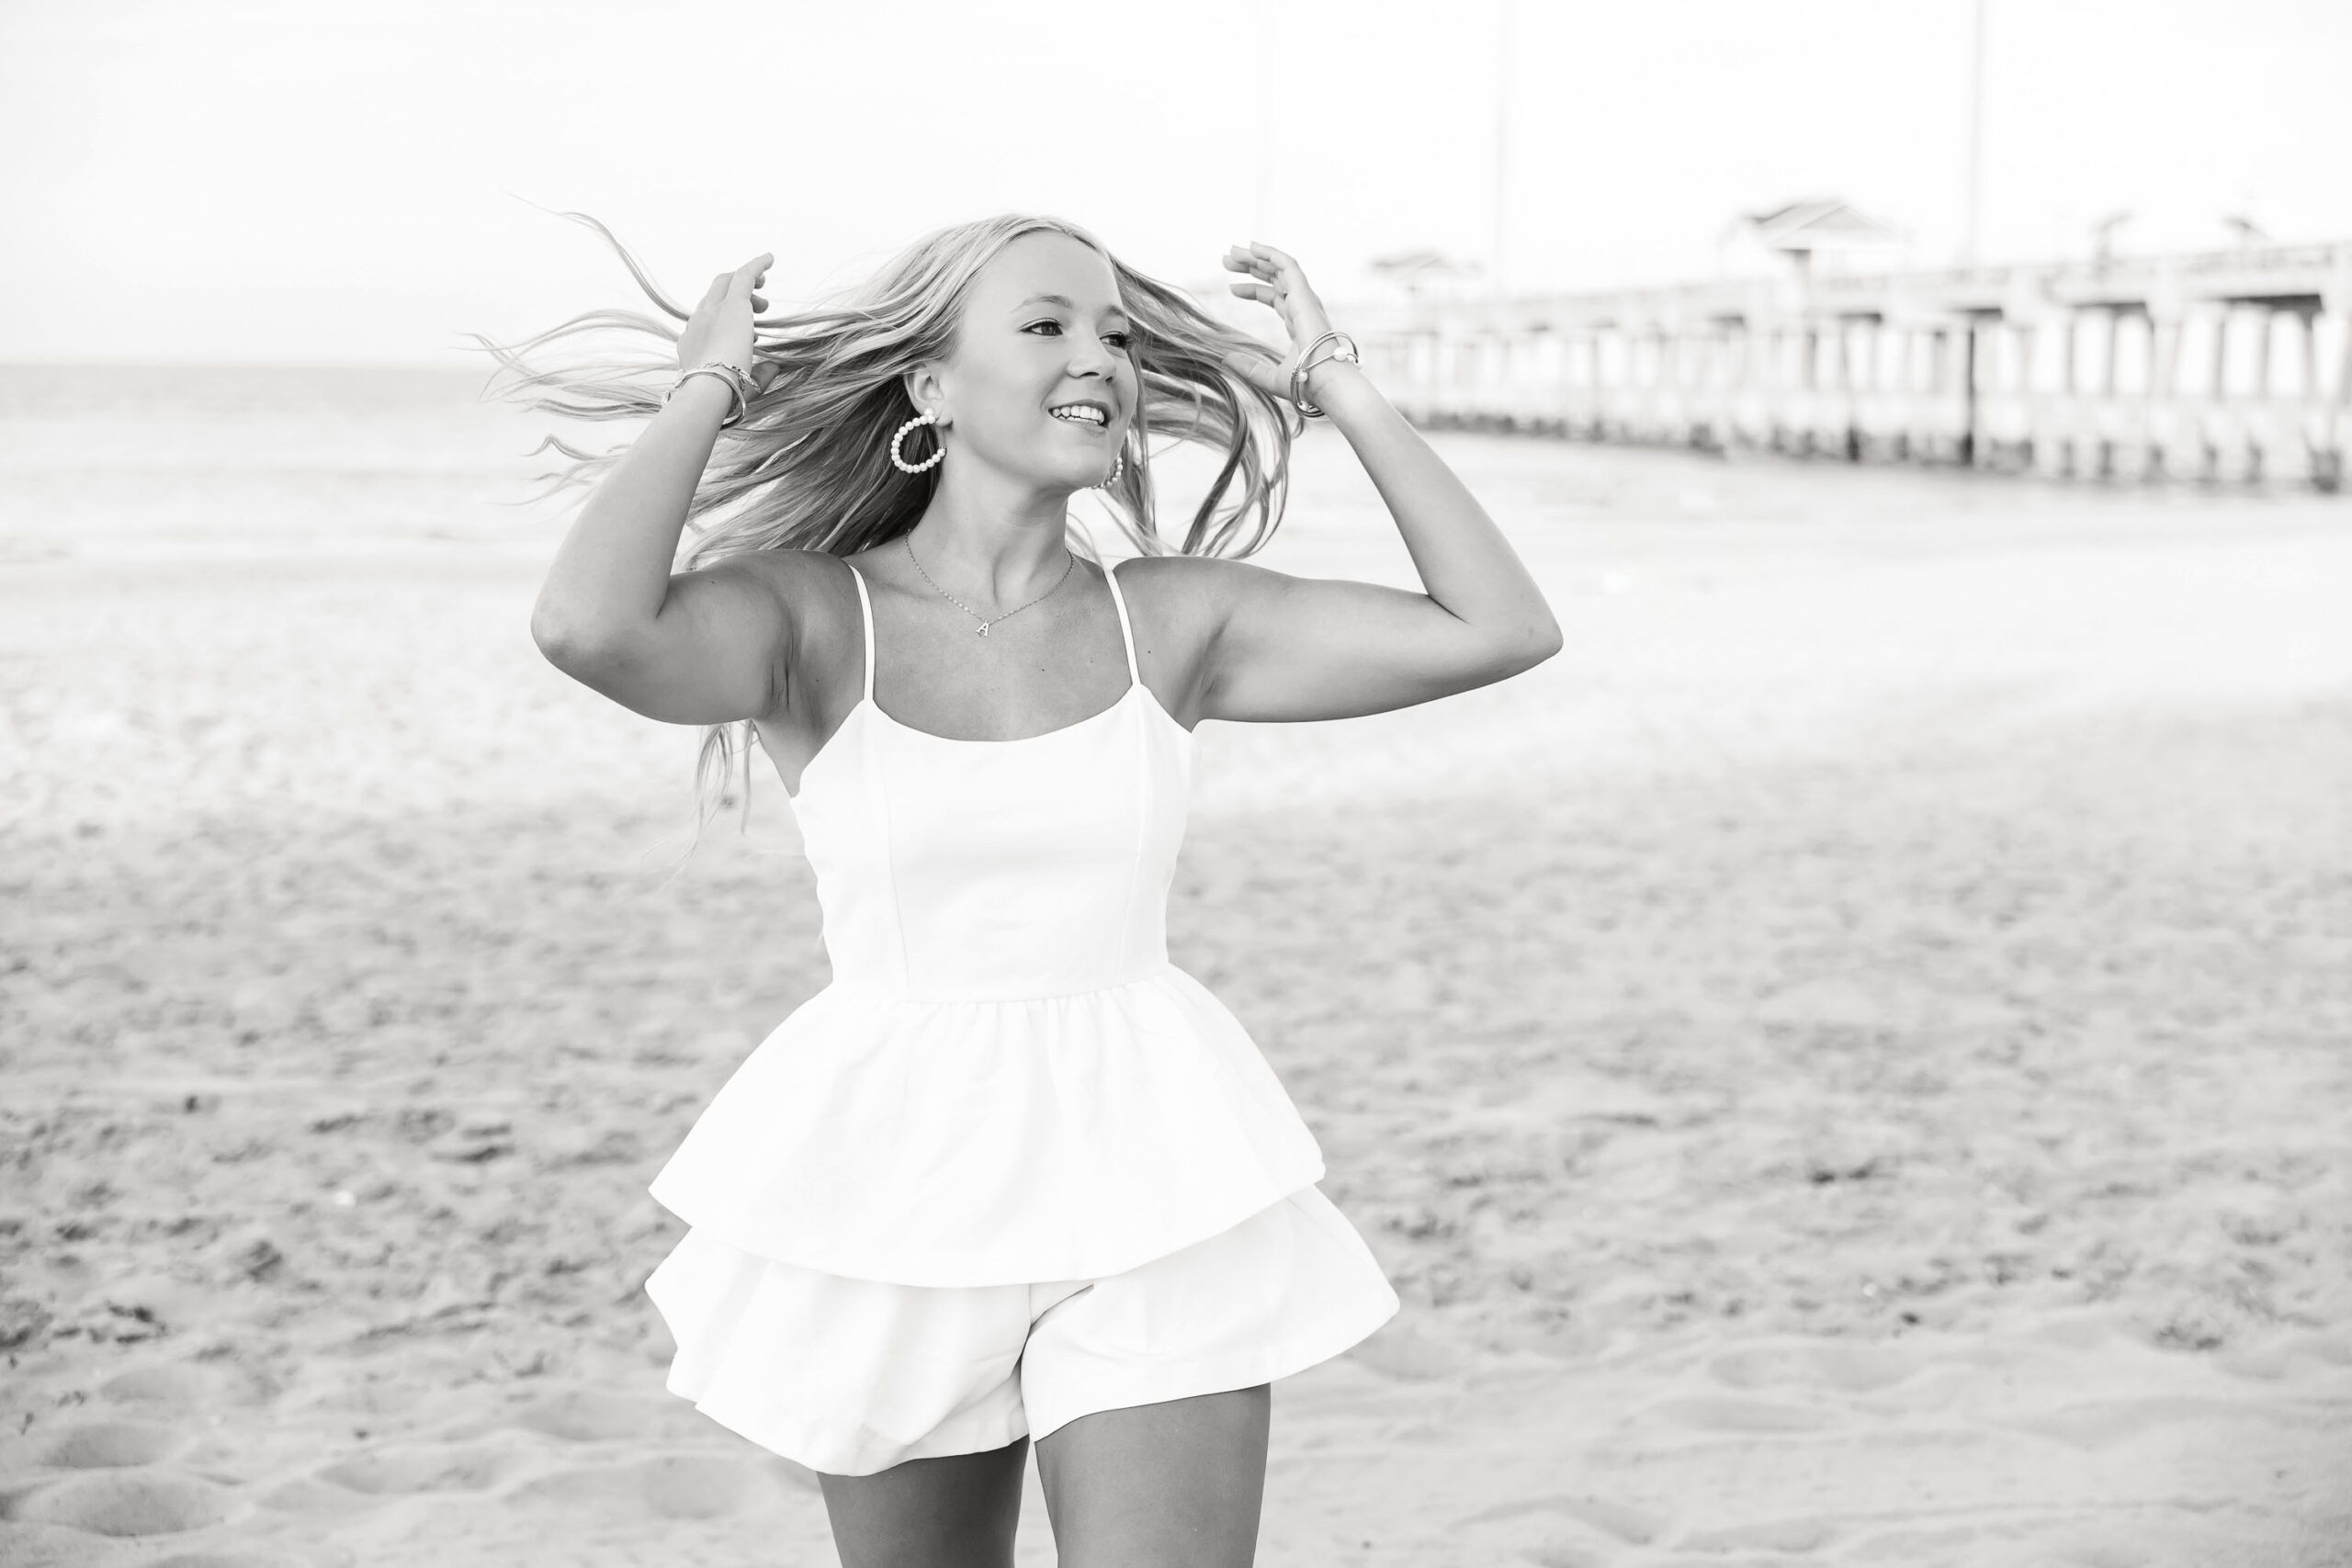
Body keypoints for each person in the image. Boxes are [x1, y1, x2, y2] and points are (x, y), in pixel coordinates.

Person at [498, 212, 1560, 1567]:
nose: (1100, 359)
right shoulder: (813, 622)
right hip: (895, 1185)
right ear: (929, 388)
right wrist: (710, 388)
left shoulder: (1172, 621)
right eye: (1047, 325)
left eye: (1116, 332)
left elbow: (1502, 628)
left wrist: (1337, 378)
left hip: (1155, 1168)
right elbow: (587, 627)